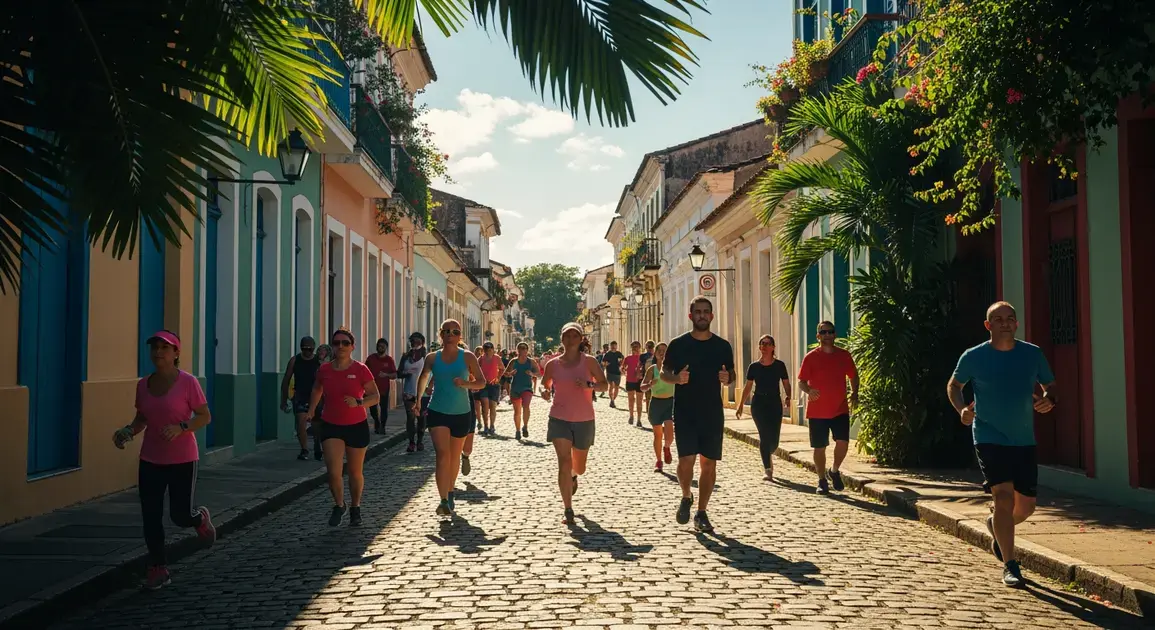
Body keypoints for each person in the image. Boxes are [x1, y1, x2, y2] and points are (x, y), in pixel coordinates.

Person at [947, 301, 1056, 588]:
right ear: (988, 325)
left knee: (1027, 507)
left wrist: (1050, 399)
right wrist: (962, 410)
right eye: (998, 319)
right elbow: (954, 386)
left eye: (1010, 318)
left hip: (1023, 439)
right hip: (988, 436)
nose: (1005, 323)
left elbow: (1050, 385)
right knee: (1003, 498)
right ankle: (1010, 565)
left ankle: (997, 525)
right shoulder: (974, 356)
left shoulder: (1032, 354)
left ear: (1016, 323)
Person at [112, 330, 216, 590]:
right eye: (155, 347)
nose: (158, 352)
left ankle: (199, 518)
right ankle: (158, 567)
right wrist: (127, 431)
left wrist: (182, 427)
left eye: (165, 348)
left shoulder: (188, 382)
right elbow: (142, 418)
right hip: (151, 458)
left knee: (180, 515)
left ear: (176, 353)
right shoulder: (143, 385)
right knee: (151, 515)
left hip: (182, 458)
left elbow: (204, 416)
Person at [661, 296, 734, 533]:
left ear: (712, 316)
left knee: (709, 464)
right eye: (698, 312)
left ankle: (702, 512)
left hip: (712, 412)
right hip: (685, 411)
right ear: (690, 315)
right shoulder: (678, 344)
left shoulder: (722, 346)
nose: (702, 315)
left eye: (706, 311)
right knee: (685, 462)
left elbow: (731, 374)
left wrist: (728, 379)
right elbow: (664, 374)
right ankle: (686, 495)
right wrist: (677, 379)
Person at [306, 328, 380, 527]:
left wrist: (358, 402)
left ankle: (356, 507)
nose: (341, 346)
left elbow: (375, 396)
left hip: (356, 425)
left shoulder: (361, 369)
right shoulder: (325, 370)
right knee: (333, 472)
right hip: (331, 425)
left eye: (345, 343)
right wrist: (312, 409)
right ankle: (339, 505)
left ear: (352, 346)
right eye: (337, 342)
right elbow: (317, 388)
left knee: (355, 472)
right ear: (332, 346)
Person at [415, 321, 486, 517]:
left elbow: (481, 382)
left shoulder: (468, 357)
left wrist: (465, 383)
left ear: (460, 335)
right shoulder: (432, 358)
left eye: (455, 331)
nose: (450, 334)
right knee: (442, 456)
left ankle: (451, 489)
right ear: (441, 334)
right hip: (437, 411)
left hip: (462, 413)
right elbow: (423, 378)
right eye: (446, 331)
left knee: (454, 457)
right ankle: (443, 500)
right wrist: (418, 401)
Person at [541, 322, 608, 524]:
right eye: (567, 336)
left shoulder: (589, 362)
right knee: (563, 461)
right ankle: (568, 508)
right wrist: (544, 392)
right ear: (562, 339)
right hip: (559, 418)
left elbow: (603, 385)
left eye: (574, 336)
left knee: (579, 466)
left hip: (584, 419)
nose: (570, 339)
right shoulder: (553, 364)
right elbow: (545, 385)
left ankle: (573, 475)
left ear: (581, 340)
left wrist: (589, 385)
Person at [797, 321, 859, 495]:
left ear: (834, 335)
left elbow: (853, 375)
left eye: (830, 332)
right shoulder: (810, 357)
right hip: (818, 410)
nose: (827, 335)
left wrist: (855, 393)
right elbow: (801, 381)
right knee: (820, 447)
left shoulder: (844, 356)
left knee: (843, 442)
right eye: (823, 332)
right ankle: (822, 480)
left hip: (840, 408)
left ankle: (834, 470)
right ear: (818, 336)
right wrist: (809, 390)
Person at [736, 335, 792, 481]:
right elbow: (747, 386)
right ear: (759, 347)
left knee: (774, 441)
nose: (764, 347)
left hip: (774, 402)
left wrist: (788, 396)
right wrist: (741, 404)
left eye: (768, 344)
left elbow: (786, 383)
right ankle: (768, 469)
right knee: (764, 435)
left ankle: (769, 453)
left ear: (773, 347)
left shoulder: (779, 365)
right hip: (759, 403)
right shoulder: (754, 367)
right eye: (762, 344)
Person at [280, 336, 321, 460]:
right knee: (300, 423)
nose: (307, 351)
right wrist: (284, 399)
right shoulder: (295, 360)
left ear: (313, 348)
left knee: (316, 424)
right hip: (300, 396)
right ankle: (304, 449)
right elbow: (286, 380)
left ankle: (317, 444)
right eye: (304, 349)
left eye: (310, 349)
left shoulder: (318, 361)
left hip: (316, 395)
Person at [640, 341, 675, 472]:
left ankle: (667, 447)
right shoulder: (652, 369)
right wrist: (649, 384)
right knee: (658, 434)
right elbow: (642, 387)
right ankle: (659, 460)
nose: (662, 353)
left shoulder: (672, 368)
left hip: (670, 403)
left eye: (665, 350)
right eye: (659, 350)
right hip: (655, 403)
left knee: (670, 433)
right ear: (655, 353)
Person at [504, 342, 542, 439]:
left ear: (527, 350)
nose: (522, 350)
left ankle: (525, 426)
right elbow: (505, 373)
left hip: (527, 388)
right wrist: (510, 374)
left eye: (524, 348)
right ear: (517, 350)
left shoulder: (531, 362)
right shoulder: (513, 361)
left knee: (526, 406)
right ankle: (517, 430)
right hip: (515, 388)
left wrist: (532, 374)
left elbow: (539, 374)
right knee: (517, 411)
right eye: (520, 348)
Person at [398, 333, 428, 452]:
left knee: (421, 418)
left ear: (422, 342)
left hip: (423, 392)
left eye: (417, 341)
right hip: (409, 391)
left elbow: (432, 373)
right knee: (410, 417)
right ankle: (411, 442)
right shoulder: (405, 356)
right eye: (412, 341)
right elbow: (399, 373)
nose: (414, 343)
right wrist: (406, 373)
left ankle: (420, 441)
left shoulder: (426, 356)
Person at [365, 338, 397, 435]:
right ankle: (377, 422)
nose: (381, 348)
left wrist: (386, 375)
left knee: (383, 408)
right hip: (372, 389)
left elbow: (394, 375)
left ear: (386, 348)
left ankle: (382, 426)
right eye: (379, 346)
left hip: (384, 389)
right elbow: (364, 371)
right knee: (373, 408)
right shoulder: (371, 358)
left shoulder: (389, 360)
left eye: (383, 346)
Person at [477, 342, 504, 435]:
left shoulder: (497, 358)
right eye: (486, 350)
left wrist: (498, 378)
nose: (488, 352)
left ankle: (492, 425)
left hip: (494, 385)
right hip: (484, 385)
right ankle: (485, 426)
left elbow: (502, 369)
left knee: (493, 406)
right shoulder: (481, 359)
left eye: (489, 350)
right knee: (485, 406)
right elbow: (474, 369)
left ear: (492, 349)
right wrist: (479, 379)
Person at [602, 341, 624, 408]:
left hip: (617, 373)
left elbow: (623, 359)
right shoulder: (607, 354)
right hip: (610, 372)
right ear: (610, 346)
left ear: (616, 346)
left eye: (615, 346)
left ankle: (613, 400)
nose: (613, 347)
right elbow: (603, 362)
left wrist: (622, 365)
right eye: (612, 346)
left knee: (617, 387)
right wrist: (606, 364)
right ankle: (611, 400)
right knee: (611, 386)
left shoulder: (619, 353)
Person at [640, 340, 656, 413]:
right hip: (653, 378)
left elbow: (639, 366)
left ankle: (649, 413)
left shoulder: (642, 356)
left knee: (648, 398)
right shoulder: (656, 355)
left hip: (647, 378)